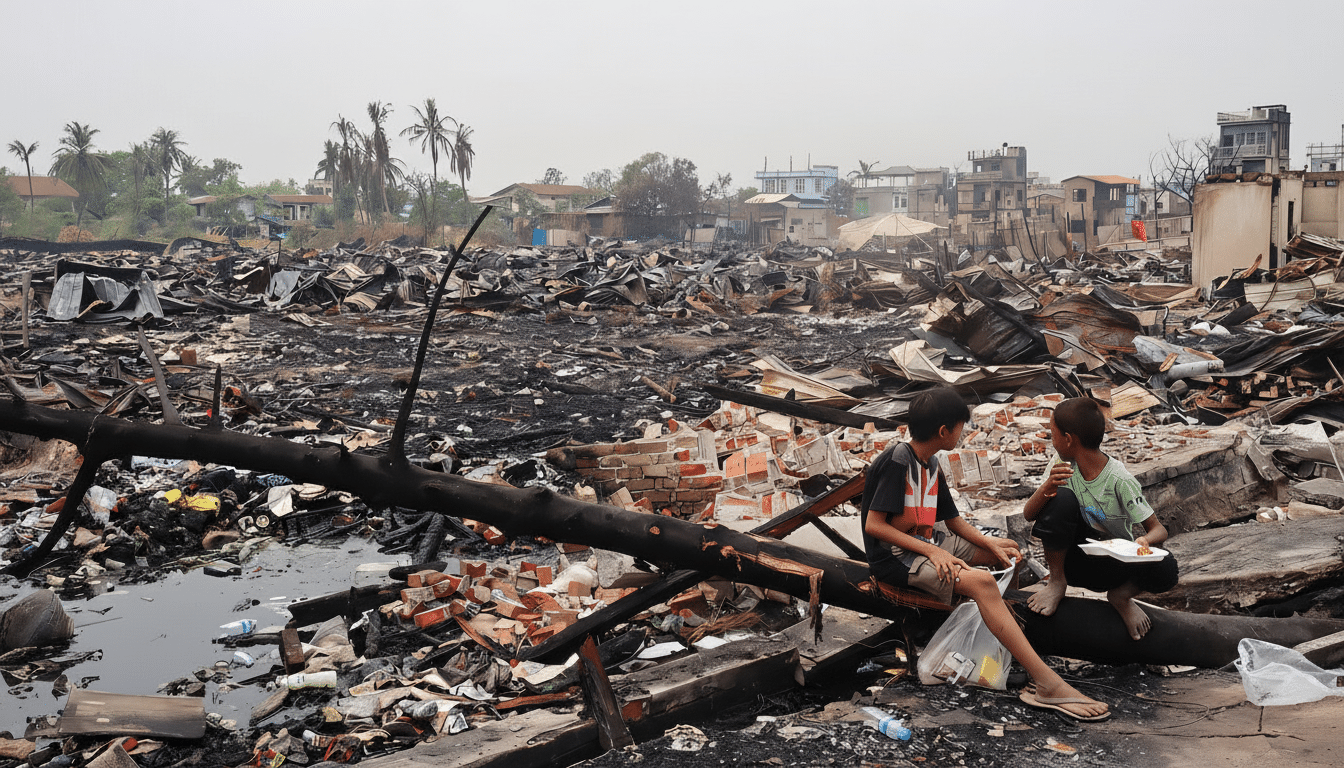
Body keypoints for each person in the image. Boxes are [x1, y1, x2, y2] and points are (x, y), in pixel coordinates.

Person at [862, 387, 1110, 722]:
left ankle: (1003, 650)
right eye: (961, 428)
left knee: (1005, 553)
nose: (962, 434)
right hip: (897, 558)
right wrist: (934, 552)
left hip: (928, 542)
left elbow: (953, 521)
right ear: (944, 431)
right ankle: (1047, 683)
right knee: (981, 583)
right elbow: (875, 526)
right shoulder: (897, 461)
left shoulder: (930, 462)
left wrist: (992, 547)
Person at [1023, 397, 1179, 642]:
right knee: (1061, 499)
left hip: (1114, 566)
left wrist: (1144, 541)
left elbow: (1158, 529)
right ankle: (1056, 583)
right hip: (1072, 562)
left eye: (1052, 435)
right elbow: (1029, 514)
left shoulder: (1119, 479)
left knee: (1168, 566)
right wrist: (1048, 486)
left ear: (1068, 439)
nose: (1051, 441)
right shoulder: (1061, 465)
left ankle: (1121, 597)